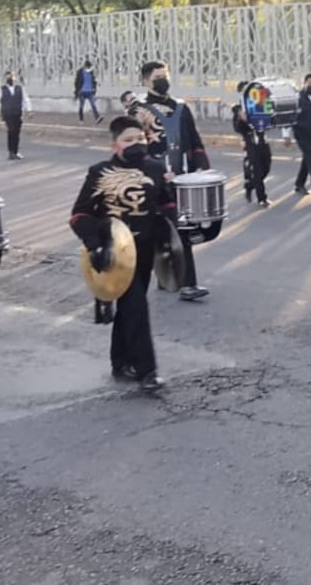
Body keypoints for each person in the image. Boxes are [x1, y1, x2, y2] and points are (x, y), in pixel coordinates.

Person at [68, 117, 175, 392]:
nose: (136, 144)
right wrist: (95, 245)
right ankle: (146, 371)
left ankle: (120, 361)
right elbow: (79, 215)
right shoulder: (99, 172)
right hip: (114, 253)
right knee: (136, 306)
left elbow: (167, 205)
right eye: (129, 140)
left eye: (140, 139)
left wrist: (171, 201)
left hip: (145, 251)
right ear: (114, 145)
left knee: (129, 308)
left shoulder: (155, 167)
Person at [131, 61, 211, 302]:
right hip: (153, 181)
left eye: (165, 75)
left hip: (182, 178)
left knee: (182, 228)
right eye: (157, 76)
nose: (163, 79)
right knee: (155, 231)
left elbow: (194, 142)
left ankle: (185, 283)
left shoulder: (181, 107)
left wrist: (203, 171)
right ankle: (167, 278)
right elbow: (134, 148)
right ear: (146, 81)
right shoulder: (139, 111)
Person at [232, 98, 272, 207]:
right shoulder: (240, 110)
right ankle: (262, 198)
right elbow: (238, 128)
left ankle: (250, 185)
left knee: (266, 168)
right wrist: (241, 118)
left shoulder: (260, 104)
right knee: (257, 170)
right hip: (251, 145)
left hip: (263, 142)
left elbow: (270, 119)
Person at [0, 70, 32, 160]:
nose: (10, 78)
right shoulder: (1, 89)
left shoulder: (20, 88)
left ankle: (16, 151)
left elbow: (25, 100)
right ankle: (11, 152)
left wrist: (29, 110)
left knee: (16, 132)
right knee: (11, 130)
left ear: (15, 78)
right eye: (8, 77)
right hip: (7, 113)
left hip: (17, 113)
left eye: (12, 76)